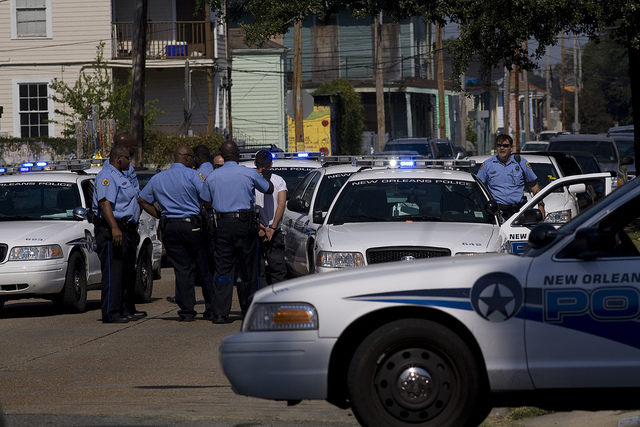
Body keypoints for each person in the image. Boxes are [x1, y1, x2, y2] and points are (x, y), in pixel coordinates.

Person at [138, 144, 213, 322]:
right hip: (192, 225)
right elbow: (207, 198)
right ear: (187, 158)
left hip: (170, 227)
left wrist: (159, 214)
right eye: (192, 157)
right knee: (204, 267)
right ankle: (211, 307)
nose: (194, 161)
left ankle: (187, 310)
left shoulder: (158, 178)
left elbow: (142, 199)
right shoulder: (193, 175)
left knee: (182, 269)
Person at [202, 141, 273, 324]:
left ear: (223, 156)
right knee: (247, 269)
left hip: (222, 224)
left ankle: (220, 313)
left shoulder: (212, 176)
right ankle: (248, 310)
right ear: (238, 155)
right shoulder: (248, 173)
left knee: (223, 270)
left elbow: (205, 202)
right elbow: (268, 189)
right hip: (244, 224)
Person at [93, 144, 146, 323]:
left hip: (126, 230)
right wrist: (114, 227)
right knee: (113, 274)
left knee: (126, 273)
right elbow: (105, 204)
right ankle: (111, 312)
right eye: (127, 158)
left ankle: (126, 309)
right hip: (111, 230)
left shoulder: (122, 176)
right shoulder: (106, 176)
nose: (130, 161)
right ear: (118, 159)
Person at [477, 134, 545, 220]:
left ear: (511, 148)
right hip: (497, 214)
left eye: (505, 146)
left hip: (519, 212)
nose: (502, 148)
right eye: (499, 145)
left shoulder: (521, 163)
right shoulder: (487, 165)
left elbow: (534, 186)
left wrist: (541, 205)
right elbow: (478, 188)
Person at [254, 150, 288, 284]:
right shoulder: (279, 180)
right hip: (274, 231)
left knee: (257, 269)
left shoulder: (250, 179)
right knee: (278, 269)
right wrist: (273, 228)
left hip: (257, 229)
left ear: (255, 163)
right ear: (271, 164)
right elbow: (281, 204)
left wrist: (260, 227)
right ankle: (279, 298)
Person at [191, 144, 216, 319]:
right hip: (221, 222)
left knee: (205, 266)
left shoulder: (198, 174)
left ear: (198, 158)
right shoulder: (215, 171)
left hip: (205, 222)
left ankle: (211, 305)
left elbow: (203, 198)